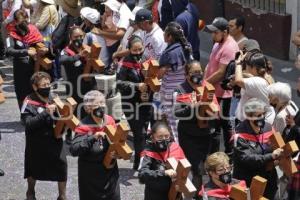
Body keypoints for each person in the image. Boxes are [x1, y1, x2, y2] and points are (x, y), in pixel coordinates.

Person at [21, 71, 67, 200]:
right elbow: (28, 123)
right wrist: (45, 113)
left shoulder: (54, 98)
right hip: (36, 142)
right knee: (33, 168)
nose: (47, 87)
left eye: (49, 84)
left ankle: (62, 196)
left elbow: (62, 116)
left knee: (62, 166)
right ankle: (30, 192)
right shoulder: (29, 102)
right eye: (44, 85)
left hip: (54, 139)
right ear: (35, 87)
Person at [175, 60, 220, 189]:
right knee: (197, 168)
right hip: (189, 136)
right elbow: (177, 113)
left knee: (207, 166)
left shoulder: (207, 87)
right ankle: (196, 195)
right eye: (194, 72)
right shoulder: (180, 89)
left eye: (200, 72)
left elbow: (216, 111)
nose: (198, 75)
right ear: (187, 75)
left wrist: (210, 108)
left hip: (206, 134)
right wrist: (194, 106)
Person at [70, 90, 120, 200]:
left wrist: (118, 154)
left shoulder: (110, 121)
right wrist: (93, 137)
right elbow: (74, 150)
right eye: (97, 104)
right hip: (91, 176)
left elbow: (118, 143)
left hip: (110, 173)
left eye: (103, 103)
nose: (101, 106)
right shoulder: (83, 126)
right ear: (88, 108)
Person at [233, 98, 283, 199]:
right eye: (258, 115)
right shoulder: (240, 134)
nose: (261, 118)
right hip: (248, 179)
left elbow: (278, 146)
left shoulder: (268, 127)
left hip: (268, 178)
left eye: (263, 114)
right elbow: (247, 159)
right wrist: (272, 156)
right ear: (248, 116)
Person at [205, 17, 239, 155]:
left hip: (223, 95)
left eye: (215, 32)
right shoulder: (217, 43)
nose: (212, 35)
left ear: (225, 32)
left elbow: (220, 73)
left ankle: (222, 155)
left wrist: (204, 84)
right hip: (213, 92)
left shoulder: (229, 47)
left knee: (217, 126)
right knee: (222, 125)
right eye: (212, 32)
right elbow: (210, 64)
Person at [117, 35, 152, 170]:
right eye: (135, 50)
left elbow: (153, 78)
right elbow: (119, 83)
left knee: (144, 132)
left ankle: (139, 159)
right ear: (129, 49)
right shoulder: (124, 63)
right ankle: (139, 161)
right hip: (130, 103)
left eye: (140, 49)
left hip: (146, 102)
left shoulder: (147, 60)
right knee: (139, 132)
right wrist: (136, 86)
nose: (138, 53)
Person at [159, 21, 192, 141]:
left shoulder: (171, 53)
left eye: (165, 33)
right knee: (178, 119)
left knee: (173, 122)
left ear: (170, 36)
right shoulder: (186, 46)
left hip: (170, 91)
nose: (163, 34)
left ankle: (177, 149)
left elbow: (160, 74)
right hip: (183, 88)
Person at [6, 9, 43, 110]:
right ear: (15, 21)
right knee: (21, 91)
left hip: (33, 66)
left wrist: (44, 48)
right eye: (20, 21)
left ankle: (36, 113)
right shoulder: (12, 34)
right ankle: (24, 114)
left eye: (25, 21)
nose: (23, 23)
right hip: (20, 69)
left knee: (35, 89)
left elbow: (41, 42)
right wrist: (26, 52)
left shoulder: (33, 30)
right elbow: (9, 51)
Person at [138, 121, 186, 200]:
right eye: (160, 137)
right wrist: (163, 173)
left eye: (166, 136)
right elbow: (142, 175)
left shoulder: (175, 148)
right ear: (153, 137)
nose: (164, 139)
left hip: (175, 192)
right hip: (155, 194)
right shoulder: (148, 152)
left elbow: (185, 169)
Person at [59, 26, 96, 118]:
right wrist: (78, 55)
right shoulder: (66, 51)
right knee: (77, 116)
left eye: (81, 36)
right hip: (75, 89)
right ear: (70, 37)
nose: (79, 39)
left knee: (93, 113)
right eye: (76, 37)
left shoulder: (88, 48)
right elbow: (62, 60)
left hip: (90, 85)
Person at [234, 49, 275, 125]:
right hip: (254, 119)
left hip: (250, 123)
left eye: (247, 65)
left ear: (253, 68)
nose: (246, 67)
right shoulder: (266, 78)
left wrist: (238, 63)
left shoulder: (257, 82)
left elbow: (238, 81)